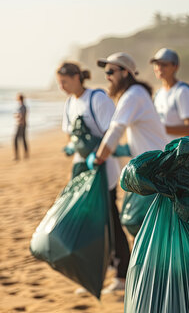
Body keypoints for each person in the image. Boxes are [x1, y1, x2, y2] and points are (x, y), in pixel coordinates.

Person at [93, 52, 169, 292]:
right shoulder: (136, 95)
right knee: (145, 225)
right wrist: (116, 152)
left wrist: (98, 158)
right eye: (105, 72)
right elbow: (137, 138)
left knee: (137, 222)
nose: (107, 77)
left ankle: (148, 281)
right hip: (152, 167)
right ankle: (146, 279)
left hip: (153, 171)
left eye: (111, 72)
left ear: (125, 72)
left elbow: (116, 130)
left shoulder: (133, 95)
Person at [55, 61, 130, 295]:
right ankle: (98, 271)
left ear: (78, 77)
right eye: (59, 83)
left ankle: (123, 274)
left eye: (65, 81)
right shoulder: (70, 103)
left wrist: (97, 157)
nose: (62, 86)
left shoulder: (96, 99)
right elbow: (72, 137)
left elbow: (113, 132)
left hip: (103, 170)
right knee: (90, 223)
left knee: (109, 219)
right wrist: (72, 150)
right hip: (83, 171)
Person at [150, 48, 189, 140]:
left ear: (175, 67)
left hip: (175, 152)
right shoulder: (158, 93)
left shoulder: (182, 91)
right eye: (156, 64)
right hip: (161, 150)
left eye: (164, 64)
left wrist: (160, 128)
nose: (159, 68)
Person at [13, 93, 29, 161]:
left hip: (20, 125)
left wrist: (17, 116)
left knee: (16, 140)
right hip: (23, 124)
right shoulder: (24, 106)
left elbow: (21, 116)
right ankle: (25, 154)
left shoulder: (22, 107)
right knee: (23, 140)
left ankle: (17, 156)